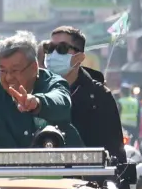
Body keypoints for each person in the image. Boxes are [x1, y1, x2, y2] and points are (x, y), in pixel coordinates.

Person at [44, 26, 125, 163]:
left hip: (87, 179)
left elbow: (114, 150)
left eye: (62, 49)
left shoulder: (99, 96)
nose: (53, 55)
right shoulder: (37, 92)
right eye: (50, 48)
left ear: (79, 57)